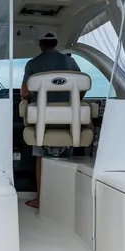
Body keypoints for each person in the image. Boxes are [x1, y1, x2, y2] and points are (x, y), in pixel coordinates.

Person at [21, 33, 81, 209]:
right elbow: (82, 86)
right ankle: (65, 201)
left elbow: (24, 93)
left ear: (40, 44)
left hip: (43, 118)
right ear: (56, 43)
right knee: (67, 150)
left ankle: (41, 199)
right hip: (69, 118)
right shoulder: (70, 62)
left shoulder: (33, 64)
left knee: (40, 153)